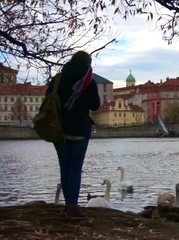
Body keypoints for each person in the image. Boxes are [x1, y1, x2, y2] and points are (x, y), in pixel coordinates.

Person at [46, 50, 100, 217]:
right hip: (79, 131)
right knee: (75, 168)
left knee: (65, 167)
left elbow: (48, 98)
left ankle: (69, 205)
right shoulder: (88, 81)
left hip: (59, 129)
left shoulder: (58, 79)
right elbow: (95, 106)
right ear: (88, 63)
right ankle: (72, 206)